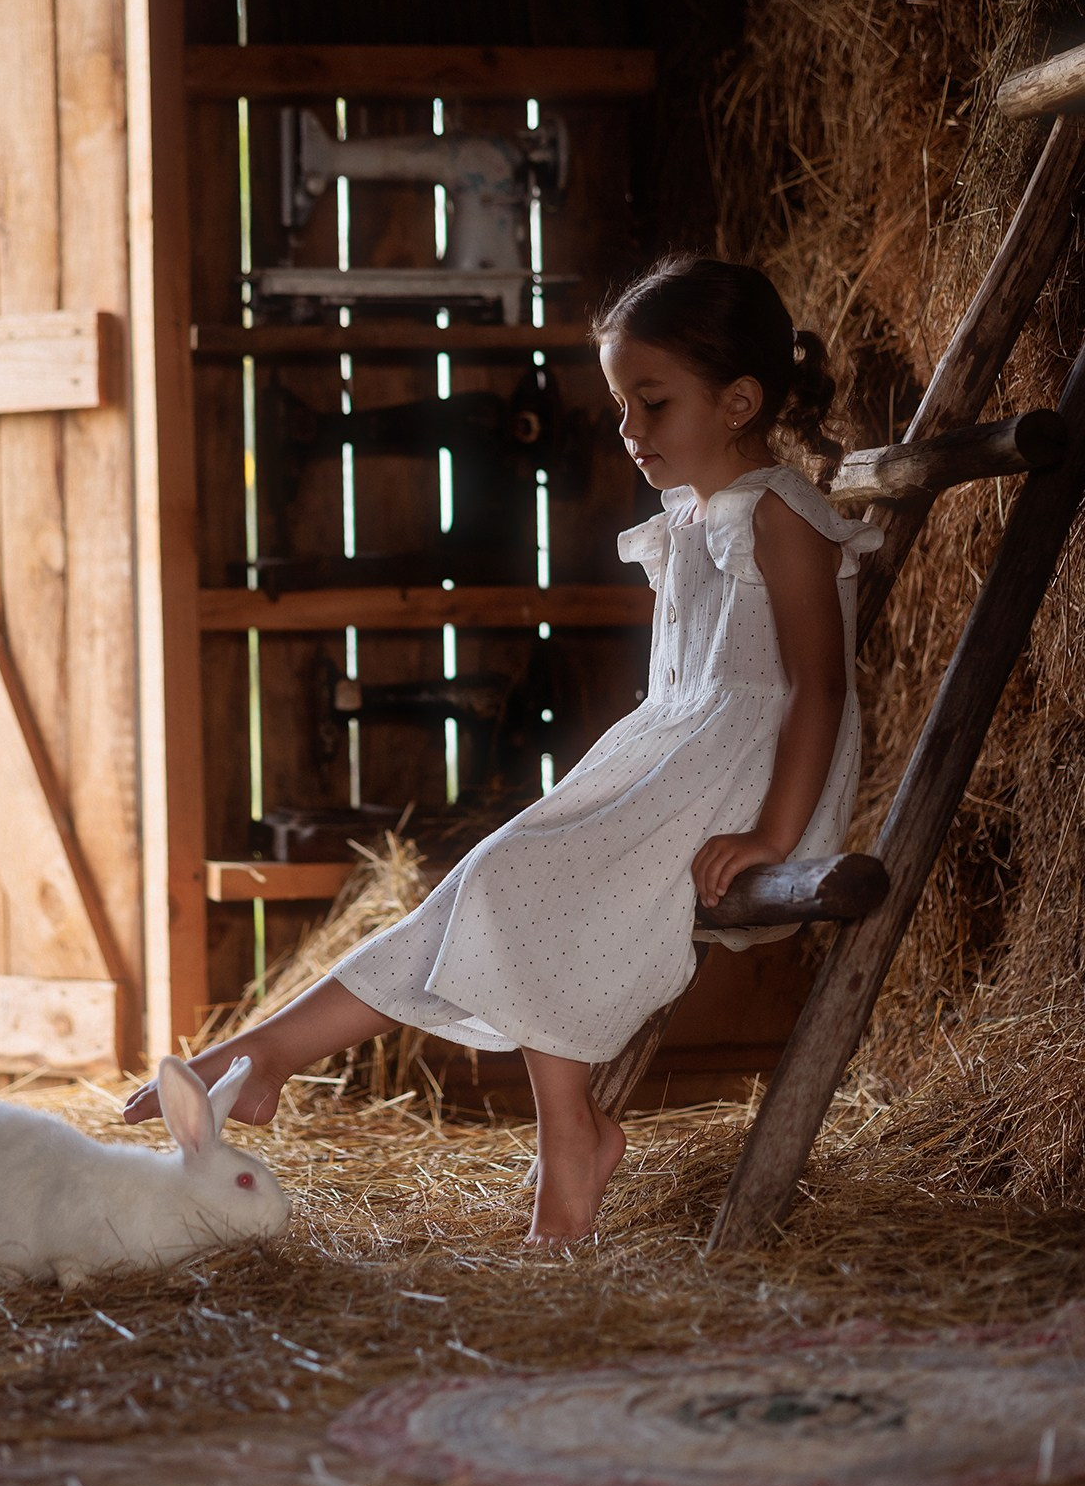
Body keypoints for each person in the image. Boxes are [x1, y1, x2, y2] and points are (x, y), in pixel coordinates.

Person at [124, 256, 883, 1245]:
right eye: (619, 405)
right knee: (489, 874)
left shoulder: (781, 518)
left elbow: (818, 689)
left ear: (738, 401)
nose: (627, 430)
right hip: (673, 755)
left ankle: (541, 1127)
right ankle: (276, 1050)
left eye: (651, 404)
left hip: (748, 777)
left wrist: (771, 834)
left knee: (514, 877)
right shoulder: (688, 519)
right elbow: (684, 689)